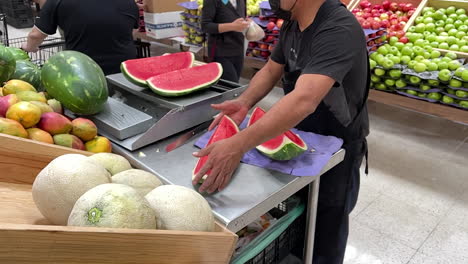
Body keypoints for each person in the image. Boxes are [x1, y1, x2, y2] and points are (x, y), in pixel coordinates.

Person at [192, 0, 370, 263]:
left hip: (338, 149)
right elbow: (271, 69)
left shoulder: (338, 27)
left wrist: (238, 144)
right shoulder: (292, 23)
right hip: (302, 141)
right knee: (300, 221)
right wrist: (244, 102)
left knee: (326, 229)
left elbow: (304, 99)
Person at [22, 0, 139, 75]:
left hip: (84, 71)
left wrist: (29, 47)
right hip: (124, 70)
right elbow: (133, 31)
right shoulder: (130, 2)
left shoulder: (57, 1)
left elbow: (35, 35)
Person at [201, 0, 250, 83]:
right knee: (230, 86)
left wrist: (248, 22)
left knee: (234, 85)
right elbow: (205, 26)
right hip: (220, 51)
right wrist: (232, 26)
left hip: (238, 49)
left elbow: (242, 17)